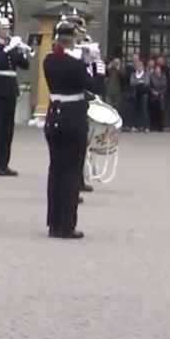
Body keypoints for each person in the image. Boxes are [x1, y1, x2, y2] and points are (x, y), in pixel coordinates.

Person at [43, 19, 105, 239]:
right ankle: (67, 224)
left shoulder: (49, 60)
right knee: (70, 173)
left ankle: (53, 222)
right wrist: (97, 63)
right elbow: (97, 86)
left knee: (55, 171)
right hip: (73, 119)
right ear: (71, 41)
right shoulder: (75, 64)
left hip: (53, 117)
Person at [0, 13, 30, 176]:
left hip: (9, 89)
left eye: (8, 28)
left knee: (8, 129)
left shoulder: (12, 47)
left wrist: (21, 51)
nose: (7, 31)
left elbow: (25, 65)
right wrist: (9, 49)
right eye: (4, 29)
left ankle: (4, 163)